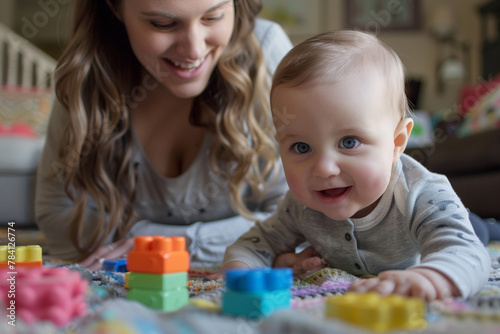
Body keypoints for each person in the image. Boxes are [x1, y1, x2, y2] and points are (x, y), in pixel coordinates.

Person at [220, 30, 491, 301]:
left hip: (458, 221)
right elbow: (255, 245)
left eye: (349, 142)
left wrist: (432, 277)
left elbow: (468, 253)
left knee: (480, 230)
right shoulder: (298, 205)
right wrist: (241, 271)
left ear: (397, 142)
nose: (324, 169)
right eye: (301, 147)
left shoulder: (422, 193)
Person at [35, 0, 293, 269]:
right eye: (163, 24)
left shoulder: (267, 51)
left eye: (213, 17)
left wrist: (158, 246)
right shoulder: (86, 73)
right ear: (114, 7)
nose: (194, 50)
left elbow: (302, 217)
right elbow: (56, 214)